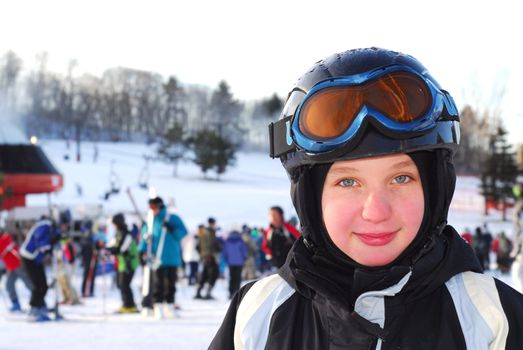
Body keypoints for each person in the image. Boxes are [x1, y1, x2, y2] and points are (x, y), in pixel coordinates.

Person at [210, 48, 523, 349]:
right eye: (348, 182)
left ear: (434, 188)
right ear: (310, 198)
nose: (376, 212)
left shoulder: (496, 318)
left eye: (401, 178)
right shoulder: (256, 315)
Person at [139, 197, 187, 319]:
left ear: (160, 206)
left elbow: (183, 232)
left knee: (170, 283)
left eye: (154, 208)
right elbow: (144, 237)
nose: (152, 210)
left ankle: (169, 306)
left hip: (171, 257)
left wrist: (171, 228)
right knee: (157, 283)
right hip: (156, 258)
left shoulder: (172, 218)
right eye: (150, 208)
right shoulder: (150, 221)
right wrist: (142, 251)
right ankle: (157, 306)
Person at [20, 216, 61, 321]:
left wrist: (52, 246)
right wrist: (50, 246)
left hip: (36, 259)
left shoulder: (52, 229)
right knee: (38, 285)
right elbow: (41, 242)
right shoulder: (44, 225)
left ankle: (40, 306)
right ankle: (34, 308)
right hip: (29, 257)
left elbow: (49, 245)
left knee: (43, 284)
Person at [108, 213, 139, 313]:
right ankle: (128, 303)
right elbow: (112, 245)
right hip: (122, 263)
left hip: (129, 263)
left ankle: (129, 305)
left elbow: (121, 248)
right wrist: (105, 248)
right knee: (120, 284)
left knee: (124, 284)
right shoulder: (119, 233)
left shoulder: (127, 234)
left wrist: (112, 250)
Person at [0, 230, 33, 312]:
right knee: (9, 285)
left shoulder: (5, 238)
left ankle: (38, 302)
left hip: (18, 265)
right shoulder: (4, 239)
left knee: (28, 283)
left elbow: (9, 250)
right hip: (11, 267)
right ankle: (16, 304)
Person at [195, 218, 221, 300]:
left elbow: (197, 246)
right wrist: (218, 249)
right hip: (211, 256)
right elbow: (213, 245)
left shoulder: (202, 232)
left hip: (205, 257)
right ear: (212, 223)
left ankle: (198, 292)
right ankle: (207, 293)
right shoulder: (210, 232)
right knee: (213, 274)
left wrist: (202, 254)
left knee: (205, 274)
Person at [223, 230, 248, 299]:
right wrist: (244, 258)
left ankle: (231, 292)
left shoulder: (227, 241)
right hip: (239, 262)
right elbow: (244, 251)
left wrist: (226, 259)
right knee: (238, 277)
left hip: (231, 262)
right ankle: (237, 292)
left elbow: (225, 252)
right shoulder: (240, 241)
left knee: (232, 277)